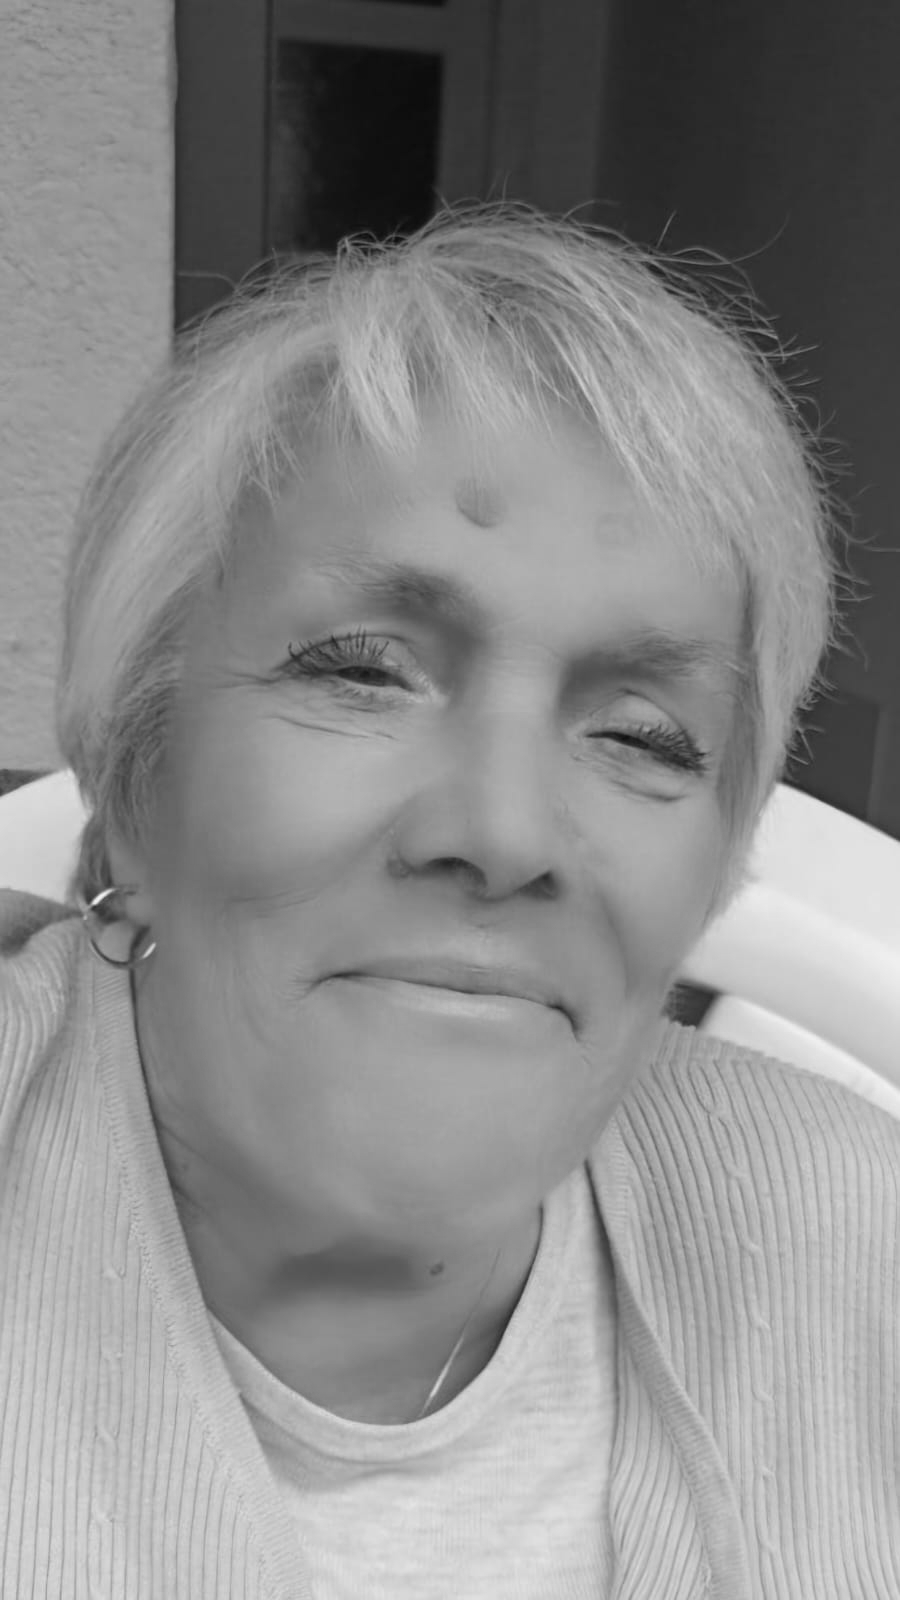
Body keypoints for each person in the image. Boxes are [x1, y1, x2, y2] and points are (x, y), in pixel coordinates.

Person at [1, 203, 897, 1600]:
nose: (504, 833)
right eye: (363, 670)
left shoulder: (858, 1242)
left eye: (645, 736)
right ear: (136, 766)